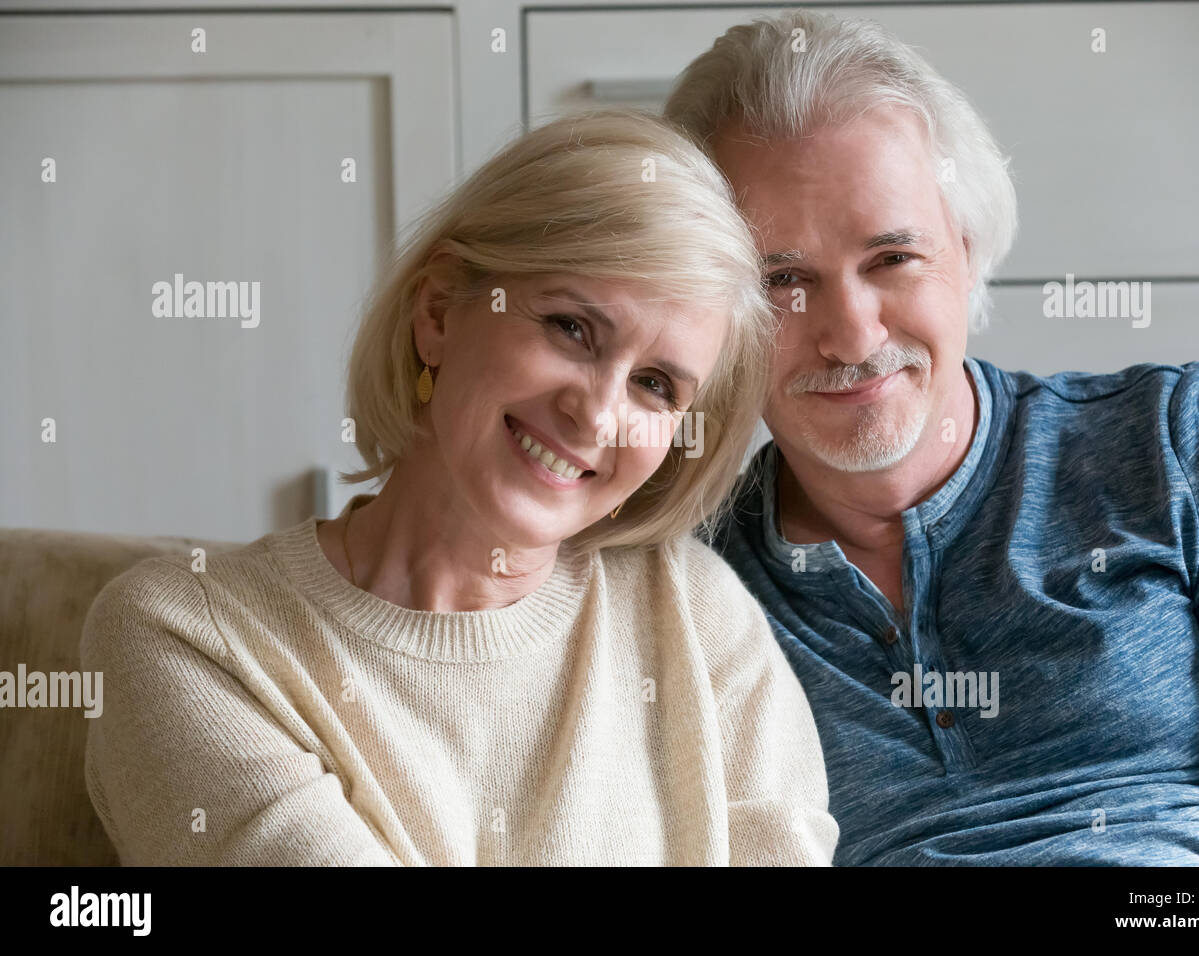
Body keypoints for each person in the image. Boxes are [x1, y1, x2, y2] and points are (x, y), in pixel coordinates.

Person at [80, 109, 839, 866]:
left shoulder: (700, 617)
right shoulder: (186, 636)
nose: (596, 413)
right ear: (438, 311)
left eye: (654, 384)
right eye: (571, 327)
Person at [665, 10, 1199, 865]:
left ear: (966, 253)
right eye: (780, 280)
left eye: (892, 258)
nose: (851, 335)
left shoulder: (1190, 444)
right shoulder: (684, 586)